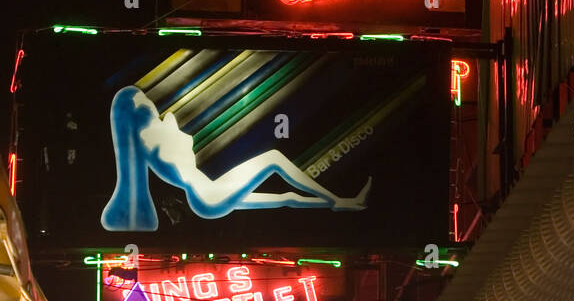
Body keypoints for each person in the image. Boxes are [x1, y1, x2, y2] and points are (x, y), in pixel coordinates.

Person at [101, 85, 372, 231]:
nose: (148, 101)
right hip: (208, 196)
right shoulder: (152, 138)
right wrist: (167, 125)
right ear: (134, 110)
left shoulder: (150, 139)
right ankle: (336, 199)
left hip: (208, 193)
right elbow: (170, 137)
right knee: (274, 159)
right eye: (143, 100)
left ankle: (342, 203)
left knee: (287, 198)